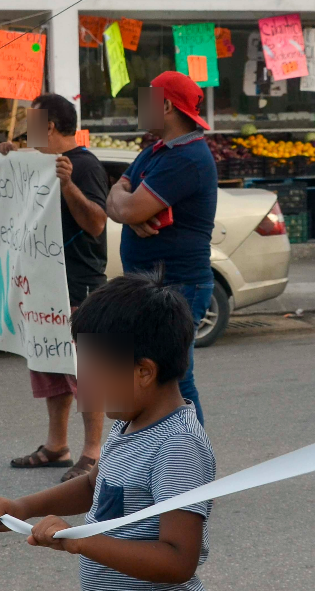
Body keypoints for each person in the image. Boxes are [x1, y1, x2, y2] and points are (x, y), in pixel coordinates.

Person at [0, 270, 217, 591]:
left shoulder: (177, 445)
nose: (83, 380)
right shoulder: (130, 425)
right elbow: (96, 484)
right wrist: (24, 507)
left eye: (93, 368)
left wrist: (82, 542)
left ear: (142, 372)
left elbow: (179, 559)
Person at [0, 93, 109, 481]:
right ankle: (56, 444)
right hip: (43, 287)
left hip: (78, 286)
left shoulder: (84, 166)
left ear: (50, 126)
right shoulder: (39, 165)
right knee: (49, 366)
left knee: (84, 374)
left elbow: (96, 223)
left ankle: (93, 453)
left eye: (30, 124)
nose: (25, 131)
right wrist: (9, 161)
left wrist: (68, 186)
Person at [104, 71, 217, 426]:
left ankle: (193, 462)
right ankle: (149, 453)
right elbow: (115, 197)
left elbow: (126, 206)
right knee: (146, 374)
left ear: (165, 105)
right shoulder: (156, 151)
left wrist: (130, 209)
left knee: (174, 379)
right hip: (152, 285)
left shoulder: (187, 157)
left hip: (180, 286)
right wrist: (128, 208)